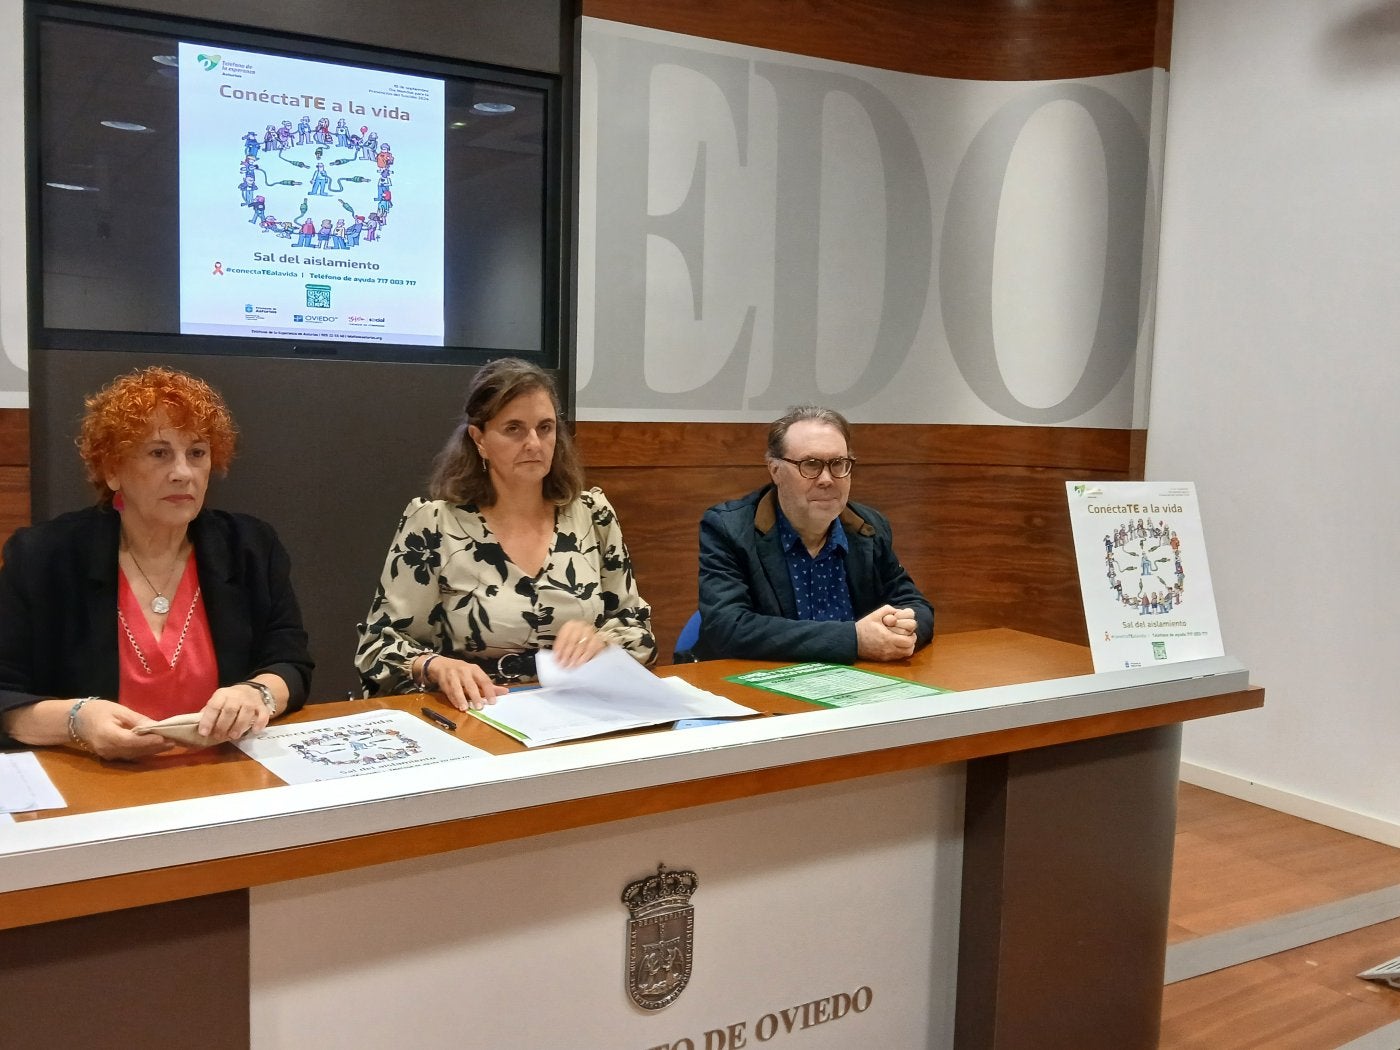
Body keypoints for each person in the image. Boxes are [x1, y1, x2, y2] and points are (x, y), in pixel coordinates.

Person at [0, 367, 313, 759]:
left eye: (197, 453)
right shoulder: (44, 556)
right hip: (94, 786)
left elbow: (290, 663)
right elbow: (4, 697)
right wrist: (76, 719)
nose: (183, 473)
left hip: (230, 780)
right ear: (113, 470)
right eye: (159, 453)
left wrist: (257, 693)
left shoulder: (250, 546)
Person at [356, 358, 656, 711]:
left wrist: (604, 641)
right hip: (480, 710)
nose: (534, 443)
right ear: (479, 439)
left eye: (545, 428)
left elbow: (640, 631)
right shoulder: (435, 524)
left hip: (583, 706)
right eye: (514, 428)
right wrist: (435, 666)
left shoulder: (592, 514)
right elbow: (379, 647)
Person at [694, 405, 933, 663]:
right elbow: (728, 627)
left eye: (839, 464)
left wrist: (903, 629)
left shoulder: (868, 527)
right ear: (775, 470)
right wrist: (853, 640)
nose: (827, 479)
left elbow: (914, 604)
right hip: (754, 684)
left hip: (855, 685)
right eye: (811, 465)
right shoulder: (730, 528)